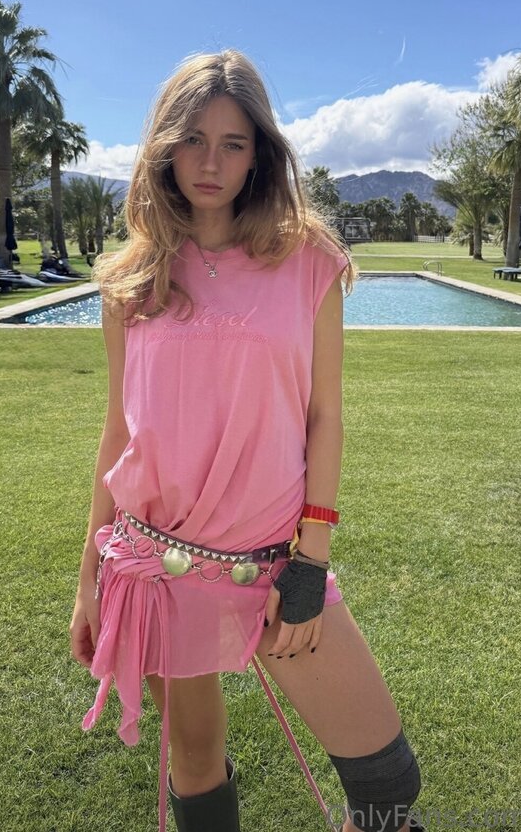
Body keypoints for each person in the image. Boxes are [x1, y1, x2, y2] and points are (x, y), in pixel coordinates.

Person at [69, 50, 424, 832]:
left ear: (260, 153)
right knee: (195, 763)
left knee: (388, 780)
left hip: (274, 565)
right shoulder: (130, 281)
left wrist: (312, 562)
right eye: (193, 140)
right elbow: (119, 430)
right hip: (155, 564)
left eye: (233, 143)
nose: (211, 163)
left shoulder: (310, 261)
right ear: (165, 146)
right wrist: (88, 575)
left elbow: (325, 415)